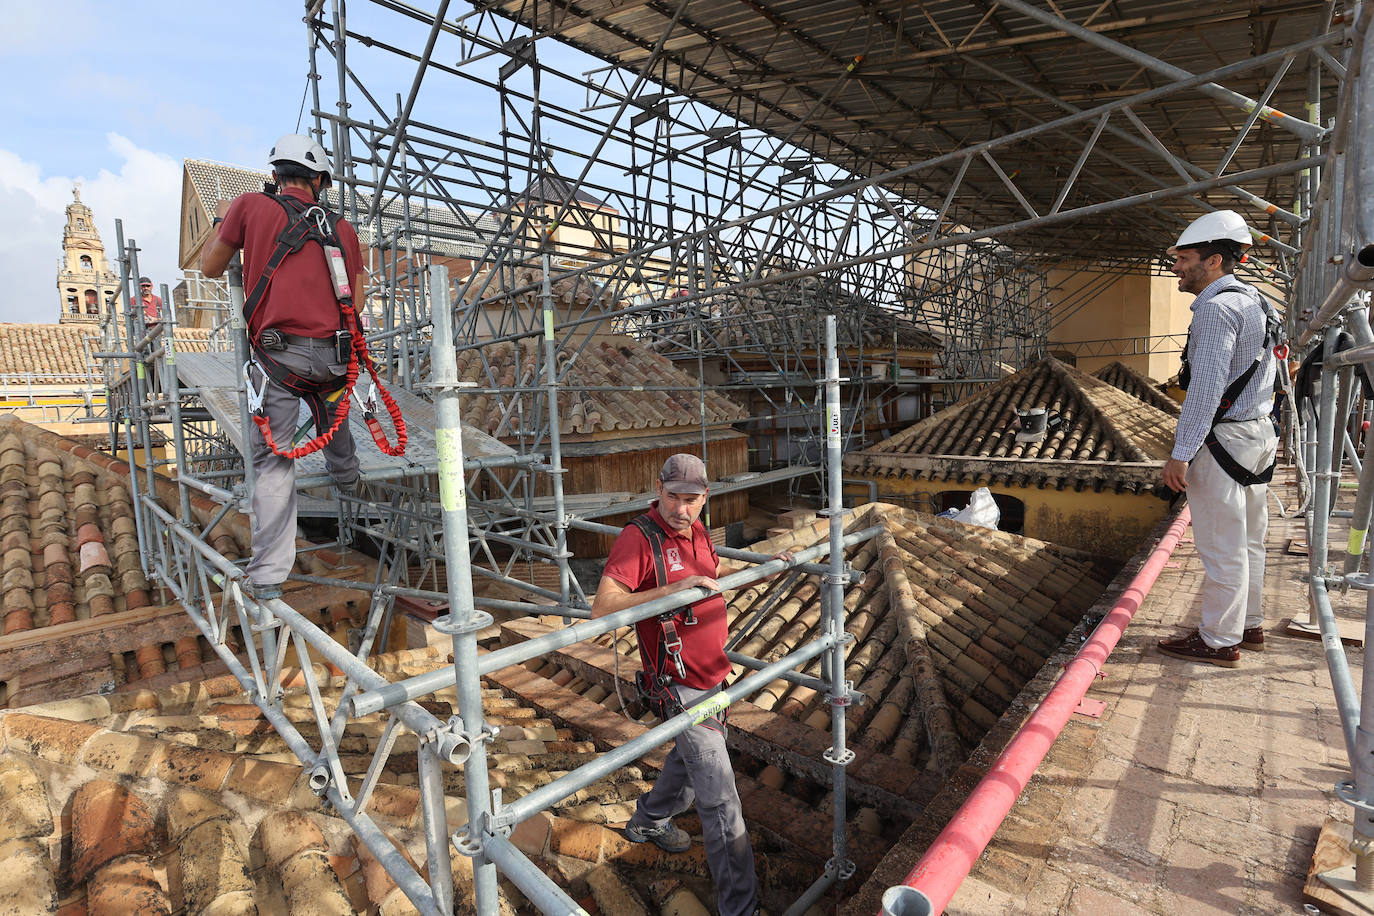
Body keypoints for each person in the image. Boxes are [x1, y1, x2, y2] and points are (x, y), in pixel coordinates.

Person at [593, 454, 785, 916]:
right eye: (674, 497)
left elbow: (707, 588)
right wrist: (672, 593)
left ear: (706, 497)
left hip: (713, 675)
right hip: (679, 685)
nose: (682, 509)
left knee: (686, 765)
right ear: (659, 489)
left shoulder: (699, 531)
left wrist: (762, 569)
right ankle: (740, 909)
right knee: (721, 801)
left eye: (692, 499)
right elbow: (603, 609)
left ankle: (648, 821)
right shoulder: (639, 539)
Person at [199, 134, 363, 600]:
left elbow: (212, 266)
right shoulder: (343, 229)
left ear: (275, 175)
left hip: (278, 357)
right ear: (320, 181)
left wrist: (227, 229)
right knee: (332, 411)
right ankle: (347, 476)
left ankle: (269, 576)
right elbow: (357, 295)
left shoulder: (250, 207)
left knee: (273, 463)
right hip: (333, 357)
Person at [1158, 210, 1280, 668]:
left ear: (1213, 261)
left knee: (1221, 544)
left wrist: (1180, 454)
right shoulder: (1257, 302)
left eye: (1184, 258)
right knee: (1248, 539)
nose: (1176, 266)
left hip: (1223, 440)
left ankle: (1216, 640)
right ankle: (1248, 624)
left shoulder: (1214, 308)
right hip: (1256, 434)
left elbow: (1206, 389)